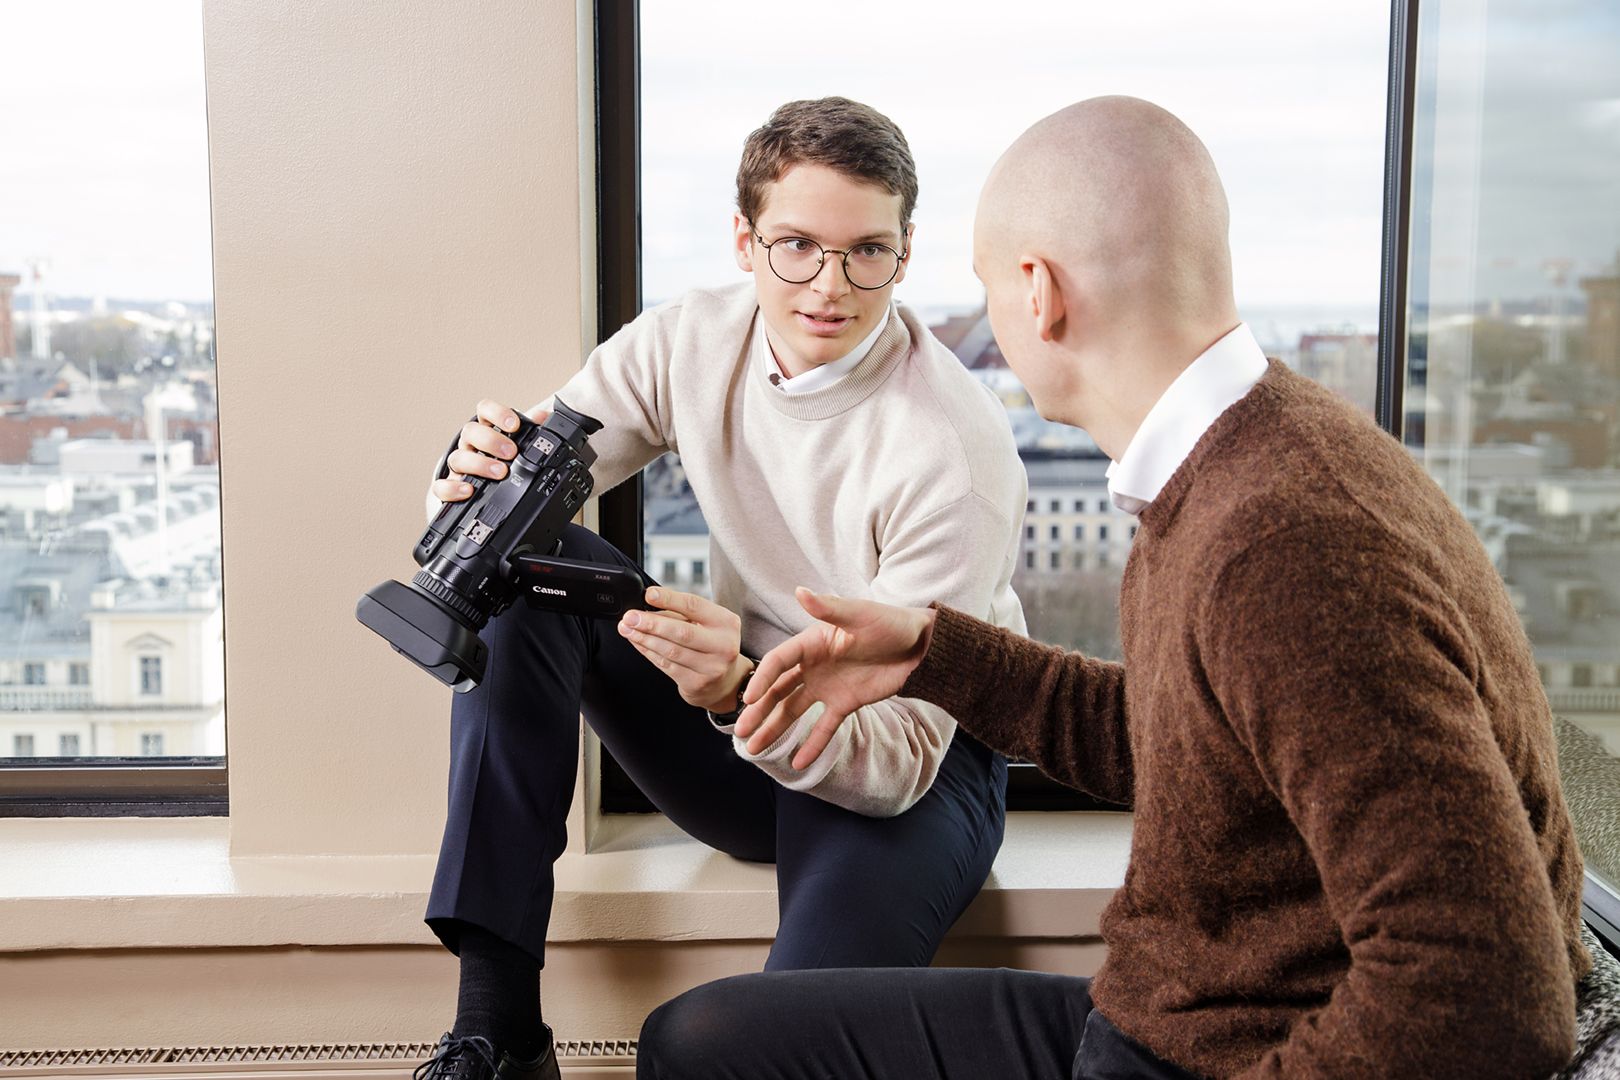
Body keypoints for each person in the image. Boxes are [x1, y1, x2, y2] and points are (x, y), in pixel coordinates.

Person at [637, 96, 1591, 1079]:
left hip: (1218, 1055)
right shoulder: (1251, 457)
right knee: (701, 1039)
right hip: (1173, 1019)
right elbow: (1202, 740)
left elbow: (1487, 997)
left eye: (985, 288)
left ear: (1038, 293)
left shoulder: (1285, 539)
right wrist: (937, 654)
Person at [411, 97, 1029, 1080]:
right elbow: (517, 483)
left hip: (909, 770)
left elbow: (903, 760)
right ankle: (498, 1036)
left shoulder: (952, 449)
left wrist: (742, 690)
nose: (830, 286)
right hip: (738, 734)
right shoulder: (691, 342)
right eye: (797, 247)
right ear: (745, 241)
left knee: (767, 1049)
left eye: (867, 252)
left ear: (905, 254)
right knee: (526, 569)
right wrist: (468, 478)